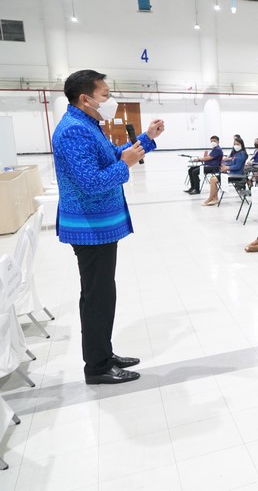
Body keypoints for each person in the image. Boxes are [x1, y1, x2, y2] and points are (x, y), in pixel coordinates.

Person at [53, 69, 165, 385]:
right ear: (85, 98)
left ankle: (104, 353)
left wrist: (146, 139)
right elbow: (91, 182)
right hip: (90, 228)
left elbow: (112, 155)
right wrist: (126, 164)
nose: (110, 99)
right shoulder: (74, 131)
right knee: (97, 296)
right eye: (105, 94)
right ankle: (97, 366)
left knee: (102, 293)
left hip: (98, 226)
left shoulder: (88, 125)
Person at [204, 138, 247, 205]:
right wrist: (225, 165)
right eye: (234, 144)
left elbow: (238, 166)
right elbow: (232, 163)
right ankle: (214, 198)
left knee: (213, 180)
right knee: (212, 179)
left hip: (236, 175)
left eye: (237, 144)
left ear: (242, 145)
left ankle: (211, 198)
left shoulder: (242, 154)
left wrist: (228, 168)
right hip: (231, 173)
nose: (236, 146)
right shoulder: (236, 153)